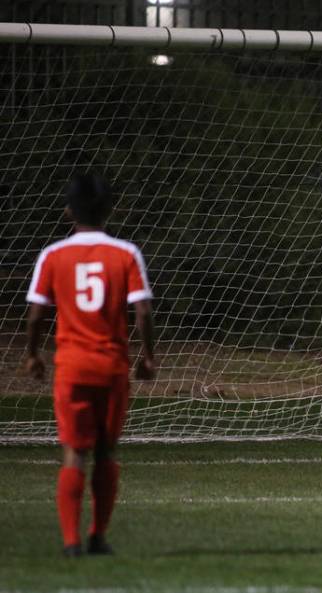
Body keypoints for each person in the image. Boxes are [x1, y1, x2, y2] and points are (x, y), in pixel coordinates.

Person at [24, 173, 156, 557]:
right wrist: (147, 356)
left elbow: (36, 316)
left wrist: (32, 354)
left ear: (68, 211)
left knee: (74, 451)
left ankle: (70, 541)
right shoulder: (126, 253)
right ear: (110, 209)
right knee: (106, 451)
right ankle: (98, 536)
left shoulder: (53, 255)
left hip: (72, 368)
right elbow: (143, 311)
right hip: (112, 367)